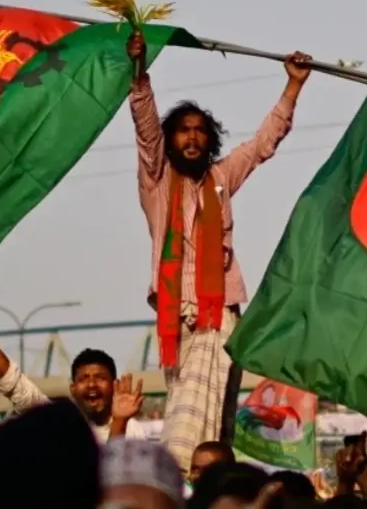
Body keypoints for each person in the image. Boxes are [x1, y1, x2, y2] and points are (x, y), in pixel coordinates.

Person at [126, 30, 313, 469]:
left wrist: (293, 85)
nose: (191, 139)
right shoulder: (157, 182)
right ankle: (196, 479)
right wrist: (138, 73)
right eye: (183, 131)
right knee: (187, 400)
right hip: (176, 317)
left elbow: (263, 145)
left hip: (220, 314)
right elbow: (145, 130)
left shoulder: (221, 178)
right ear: (171, 140)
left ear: (210, 141)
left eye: (200, 132)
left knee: (201, 404)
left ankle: (181, 471)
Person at [0, 285, 146, 440]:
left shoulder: (132, 430)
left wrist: (120, 422)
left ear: (114, 386)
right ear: (72, 389)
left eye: (100, 377)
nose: (91, 384)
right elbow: (11, 382)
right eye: (84, 379)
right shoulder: (58, 427)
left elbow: (115, 476)